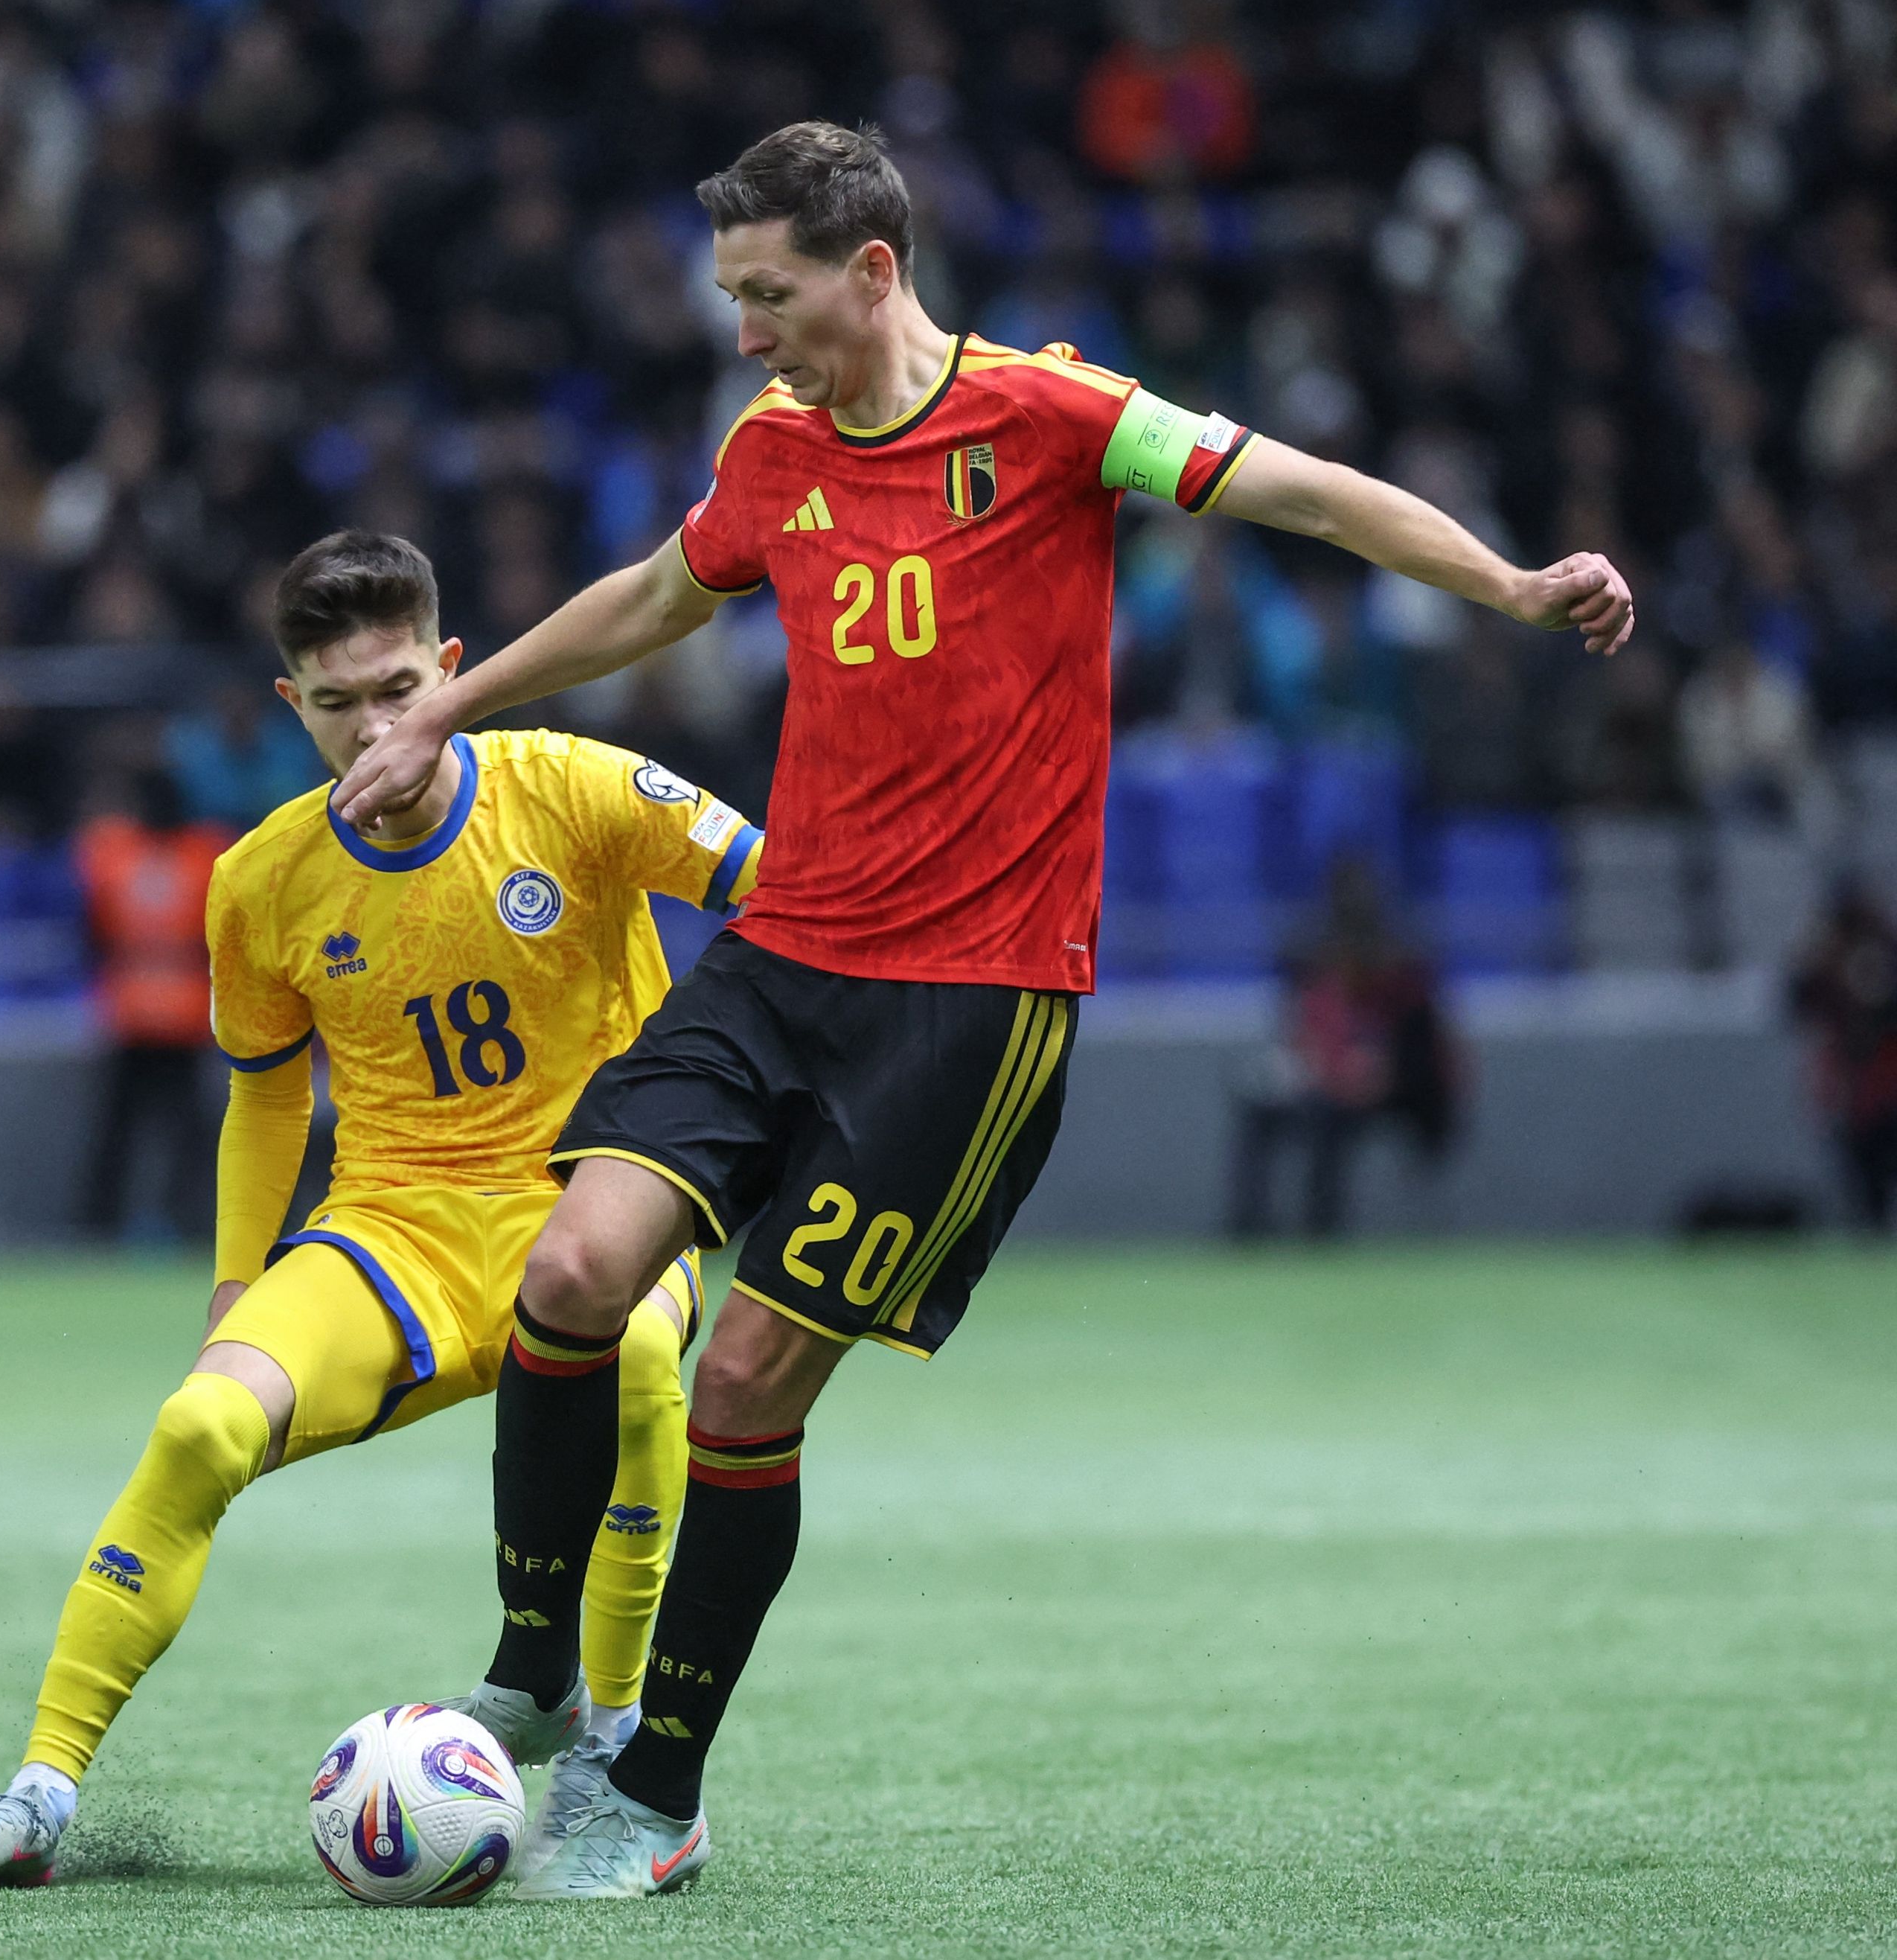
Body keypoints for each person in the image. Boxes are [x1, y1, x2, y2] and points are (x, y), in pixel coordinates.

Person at [333, 121, 1636, 1899]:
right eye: (729, 299)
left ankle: (661, 1789)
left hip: (969, 997)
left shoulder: (1053, 415)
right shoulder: (773, 447)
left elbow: (1309, 492)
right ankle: (534, 1664)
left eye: (767, 294)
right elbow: (652, 596)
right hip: (784, 950)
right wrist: (445, 709)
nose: (742, 335)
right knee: (566, 1275)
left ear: (869, 271)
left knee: (741, 1378)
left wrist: (1502, 581)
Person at [0, 529, 764, 1889]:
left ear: (454, 669)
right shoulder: (260, 881)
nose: (378, 725)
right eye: (338, 701)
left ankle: (607, 1745)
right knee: (200, 1423)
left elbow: (783, 896)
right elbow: (263, 1100)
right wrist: (235, 1289)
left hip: (594, 1207)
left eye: (399, 685)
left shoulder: (577, 786)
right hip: (396, 1235)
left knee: (649, 1359)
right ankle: (38, 1795)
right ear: (287, 707)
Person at [1228, 856, 1460, 1238]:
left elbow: (1420, 1062)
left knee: (1327, 1119)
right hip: (1332, 1082)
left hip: (1405, 1093)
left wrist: (1374, 1079)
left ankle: (1321, 1230)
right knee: (1263, 1111)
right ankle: (1247, 1229)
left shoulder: (1405, 973)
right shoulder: (1318, 964)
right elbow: (1306, 1037)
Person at [73, 766, 225, 1241]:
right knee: (179, 1128)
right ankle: (183, 1221)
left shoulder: (110, 850)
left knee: (124, 1126)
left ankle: (102, 1223)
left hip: (135, 1006)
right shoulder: (207, 852)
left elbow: (90, 931)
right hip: (178, 1007)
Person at [1788, 884, 1897, 1229]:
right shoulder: (1825, 962)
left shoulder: (1884, 951)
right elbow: (1796, 1002)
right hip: (1851, 1088)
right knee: (1861, 1179)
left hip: (1885, 1079)